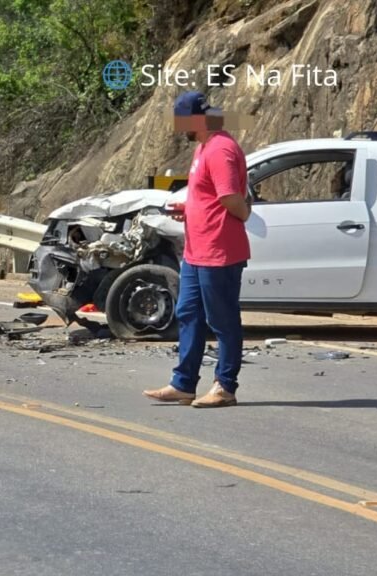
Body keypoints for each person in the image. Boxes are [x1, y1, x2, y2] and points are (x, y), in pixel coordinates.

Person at [143, 91, 251, 408]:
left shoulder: (220, 149)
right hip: (196, 250)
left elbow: (231, 197)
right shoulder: (204, 147)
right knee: (188, 313)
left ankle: (225, 387)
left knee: (223, 320)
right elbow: (208, 195)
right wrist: (188, 208)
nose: (179, 130)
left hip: (219, 250)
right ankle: (184, 383)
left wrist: (244, 213)